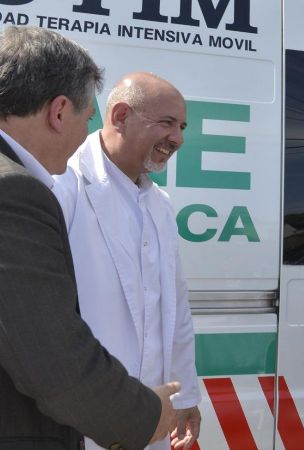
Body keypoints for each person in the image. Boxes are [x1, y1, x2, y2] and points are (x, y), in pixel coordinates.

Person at [0, 26, 180, 450]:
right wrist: (141, 417)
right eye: (86, 119)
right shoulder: (15, 192)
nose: (87, 137)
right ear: (59, 112)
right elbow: (50, 356)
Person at [53, 72, 201, 450]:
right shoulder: (62, 186)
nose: (178, 138)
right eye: (166, 123)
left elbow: (175, 310)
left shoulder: (160, 204)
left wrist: (184, 399)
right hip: (82, 424)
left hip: (150, 420)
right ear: (120, 116)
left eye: (181, 127)